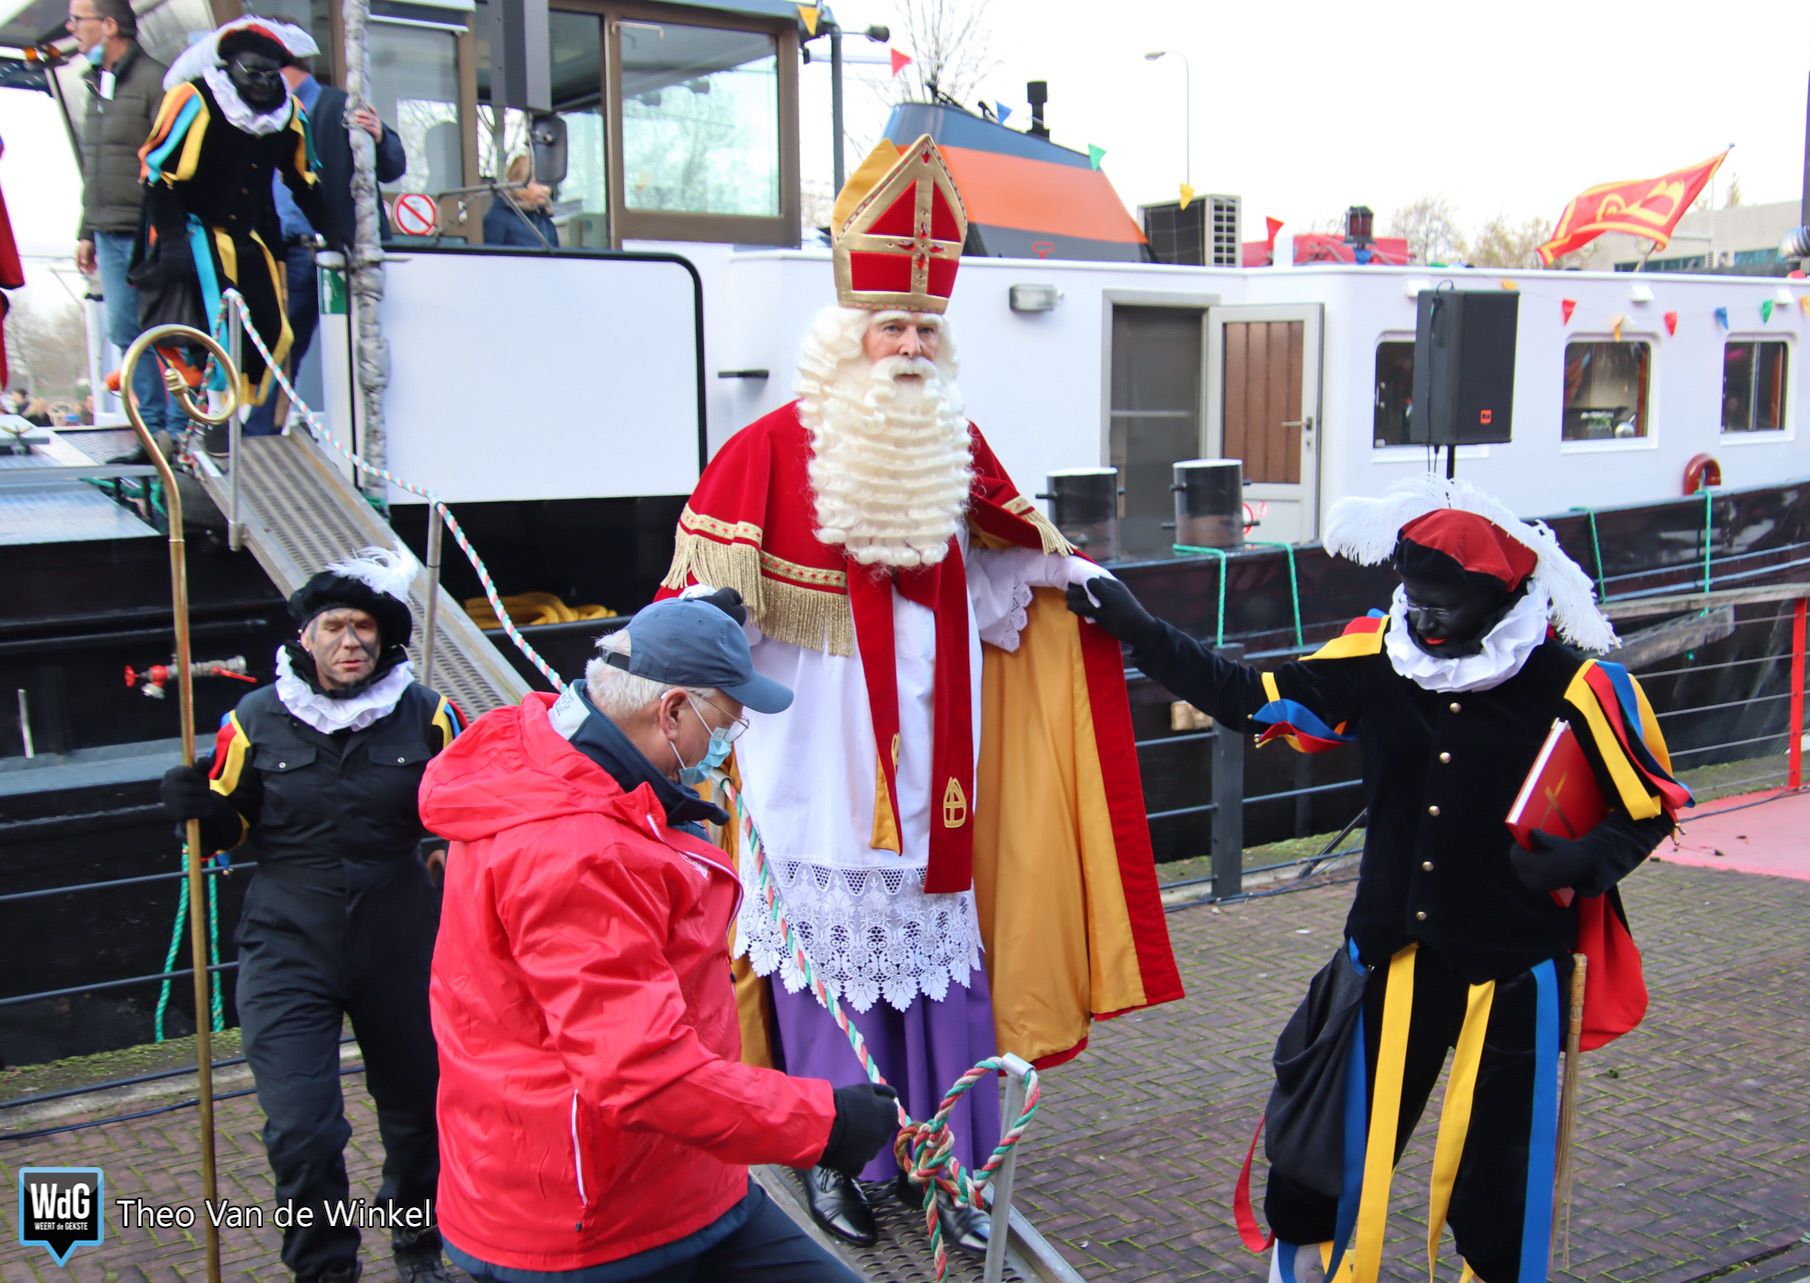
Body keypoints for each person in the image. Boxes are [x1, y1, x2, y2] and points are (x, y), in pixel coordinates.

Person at [657, 135, 1182, 1251]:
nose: (906, 345)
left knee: (940, 966)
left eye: (924, 330)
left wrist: (1078, 576)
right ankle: (837, 1160)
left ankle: (948, 1156)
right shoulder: (761, 456)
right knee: (825, 972)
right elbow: (701, 623)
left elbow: (1004, 562)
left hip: (937, 765)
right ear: (845, 338)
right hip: (813, 775)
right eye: (888, 327)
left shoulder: (955, 446)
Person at [1067, 477, 1691, 1283]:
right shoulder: (1378, 655)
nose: (1423, 620)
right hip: (1386, 954)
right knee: (1316, 1154)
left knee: (1500, 1184)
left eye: (1445, 608)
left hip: (1513, 971)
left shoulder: (1580, 685)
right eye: (1414, 598)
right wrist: (1141, 631)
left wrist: (1584, 860)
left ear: (1503, 602)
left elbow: (1650, 807)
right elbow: (1252, 698)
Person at [419, 594, 899, 1280]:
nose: (726, 750)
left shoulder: (572, 765)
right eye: (725, 725)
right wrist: (824, 1124)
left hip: (674, 1179)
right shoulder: (574, 851)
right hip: (589, 1224)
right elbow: (640, 1072)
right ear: (672, 710)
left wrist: (692, 623)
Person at [157, 546, 462, 1283]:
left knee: (422, 1113)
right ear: (306, 636)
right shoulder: (252, 719)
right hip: (288, 941)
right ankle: (324, 1269)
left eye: (363, 628)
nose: (349, 641)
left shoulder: (429, 716)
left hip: (400, 937)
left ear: (385, 638)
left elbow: (464, 811)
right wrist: (195, 811)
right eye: (334, 627)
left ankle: (417, 1244)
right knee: (303, 1127)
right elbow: (229, 826)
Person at [133, 19, 327, 446]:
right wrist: (171, 244)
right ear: (230, 68)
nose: (261, 82)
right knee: (203, 331)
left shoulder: (288, 113)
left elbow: (304, 182)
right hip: (189, 233)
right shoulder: (196, 99)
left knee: (271, 332)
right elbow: (158, 174)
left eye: (270, 73)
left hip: (249, 240)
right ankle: (198, 428)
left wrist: (340, 236)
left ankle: (229, 424)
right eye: (251, 72)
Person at [243, 42, 406, 437]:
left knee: (355, 343)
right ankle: (260, 433)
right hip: (289, 251)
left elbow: (393, 166)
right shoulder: (262, 115)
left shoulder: (340, 106)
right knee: (280, 342)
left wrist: (381, 137)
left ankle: (357, 434)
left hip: (340, 250)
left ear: (280, 67)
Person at [69, 0, 169, 430]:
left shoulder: (156, 81)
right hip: (107, 231)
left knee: (162, 331)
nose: (73, 29)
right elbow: (96, 164)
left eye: (78, 20)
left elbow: (170, 158)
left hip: (148, 232)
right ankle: (148, 428)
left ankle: (179, 431)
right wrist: (87, 229)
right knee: (125, 332)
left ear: (108, 26)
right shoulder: (96, 84)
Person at [482, 154, 559, 249]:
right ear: (517, 184)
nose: (546, 189)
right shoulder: (499, 218)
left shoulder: (545, 221)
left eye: (548, 183)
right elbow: (491, 258)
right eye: (537, 182)